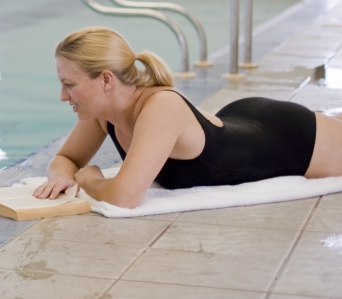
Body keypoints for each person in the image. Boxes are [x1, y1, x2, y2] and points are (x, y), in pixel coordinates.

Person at [33, 26, 342, 209]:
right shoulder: (102, 113)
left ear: (105, 81)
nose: (63, 96)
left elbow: (124, 197)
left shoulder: (160, 107)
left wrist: (92, 182)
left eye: (69, 85)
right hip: (242, 119)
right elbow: (65, 158)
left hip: (290, 137)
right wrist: (61, 175)